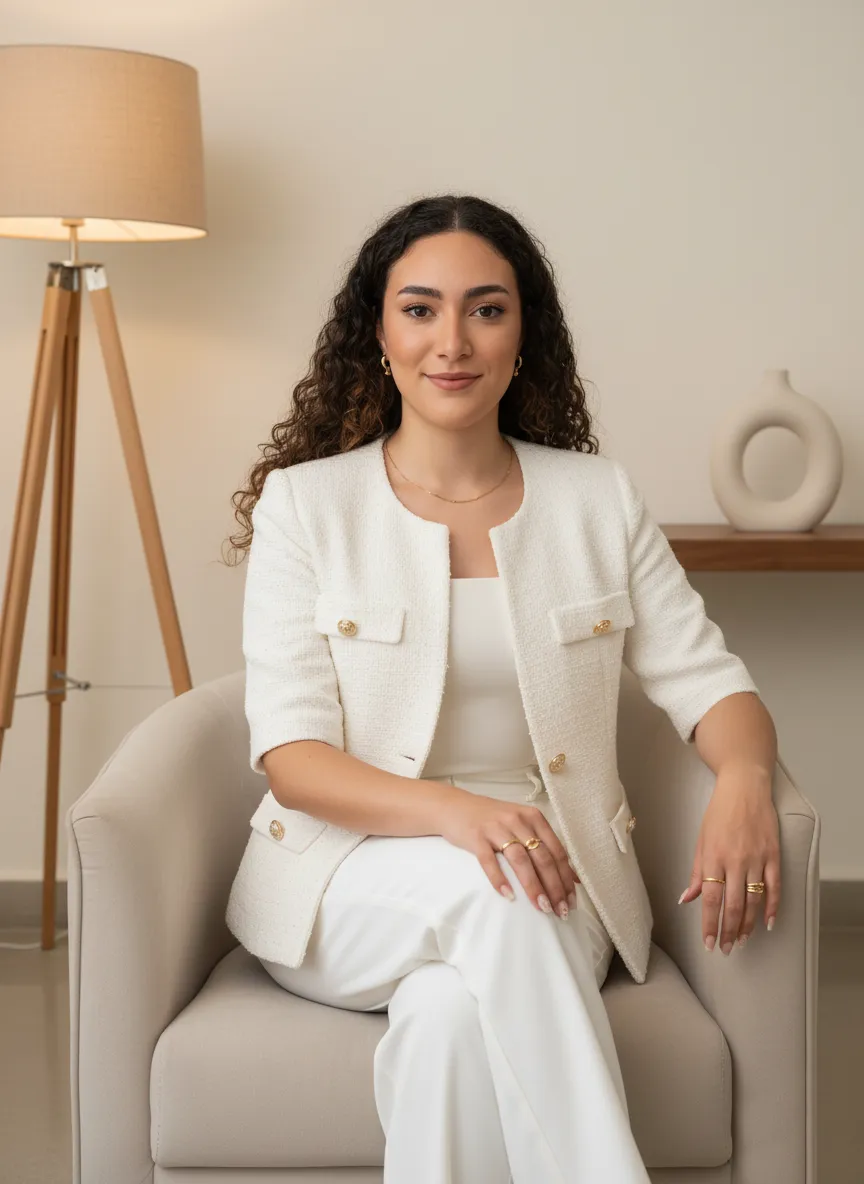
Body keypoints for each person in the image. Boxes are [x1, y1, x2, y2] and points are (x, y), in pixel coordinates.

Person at [223, 194, 781, 1184]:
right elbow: (294, 759)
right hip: (345, 882)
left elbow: (711, 683)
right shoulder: (308, 507)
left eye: (486, 309)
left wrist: (742, 777)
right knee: (505, 899)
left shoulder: (593, 499)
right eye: (420, 309)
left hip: (555, 872)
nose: (453, 341)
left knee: (446, 1015)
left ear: (526, 336)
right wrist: (454, 814)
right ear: (378, 334)